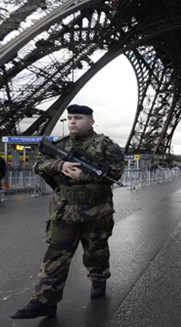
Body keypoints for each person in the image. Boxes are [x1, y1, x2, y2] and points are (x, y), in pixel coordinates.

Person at [11, 104, 125, 319]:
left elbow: (116, 173)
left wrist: (81, 177)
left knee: (96, 251)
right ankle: (45, 301)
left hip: (96, 210)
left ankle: (98, 277)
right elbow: (39, 165)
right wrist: (60, 165)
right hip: (64, 210)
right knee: (55, 256)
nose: (72, 121)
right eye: (70, 117)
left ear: (91, 121)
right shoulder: (59, 145)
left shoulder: (106, 145)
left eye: (78, 118)